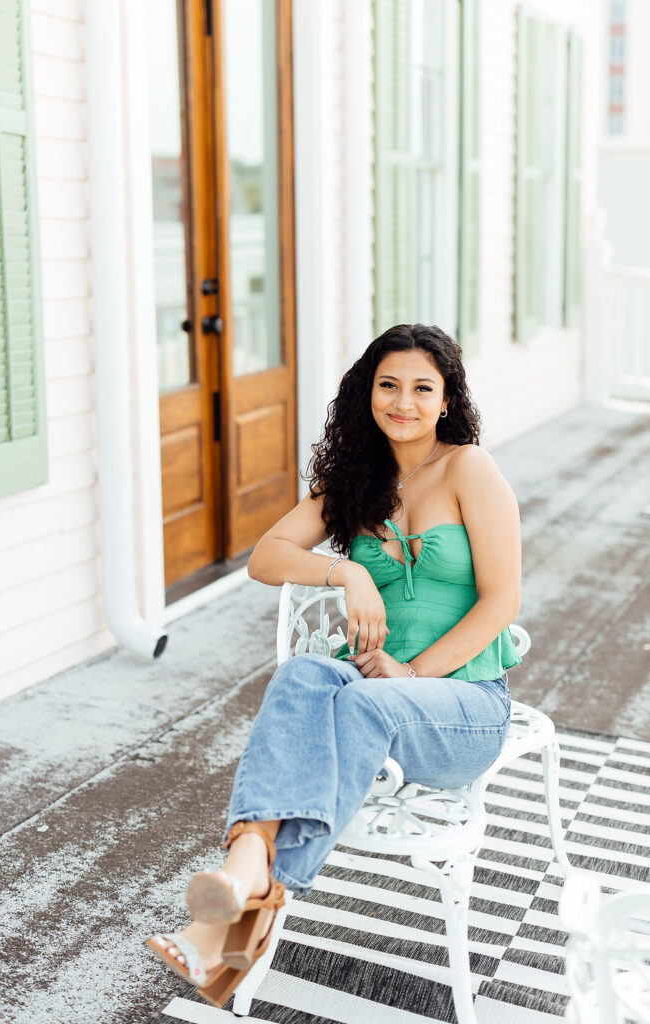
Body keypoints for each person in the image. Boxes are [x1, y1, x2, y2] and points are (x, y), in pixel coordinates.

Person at [146, 323, 522, 1007]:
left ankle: (245, 907)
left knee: (361, 700)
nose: (401, 401)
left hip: (463, 707)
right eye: (387, 385)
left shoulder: (469, 468)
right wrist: (347, 571)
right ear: (365, 392)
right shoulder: (356, 482)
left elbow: (501, 602)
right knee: (301, 674)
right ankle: (247, 865)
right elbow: (266, 557)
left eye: (420, 388)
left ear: (445, 400)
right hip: (373, 689)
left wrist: (411, 675)